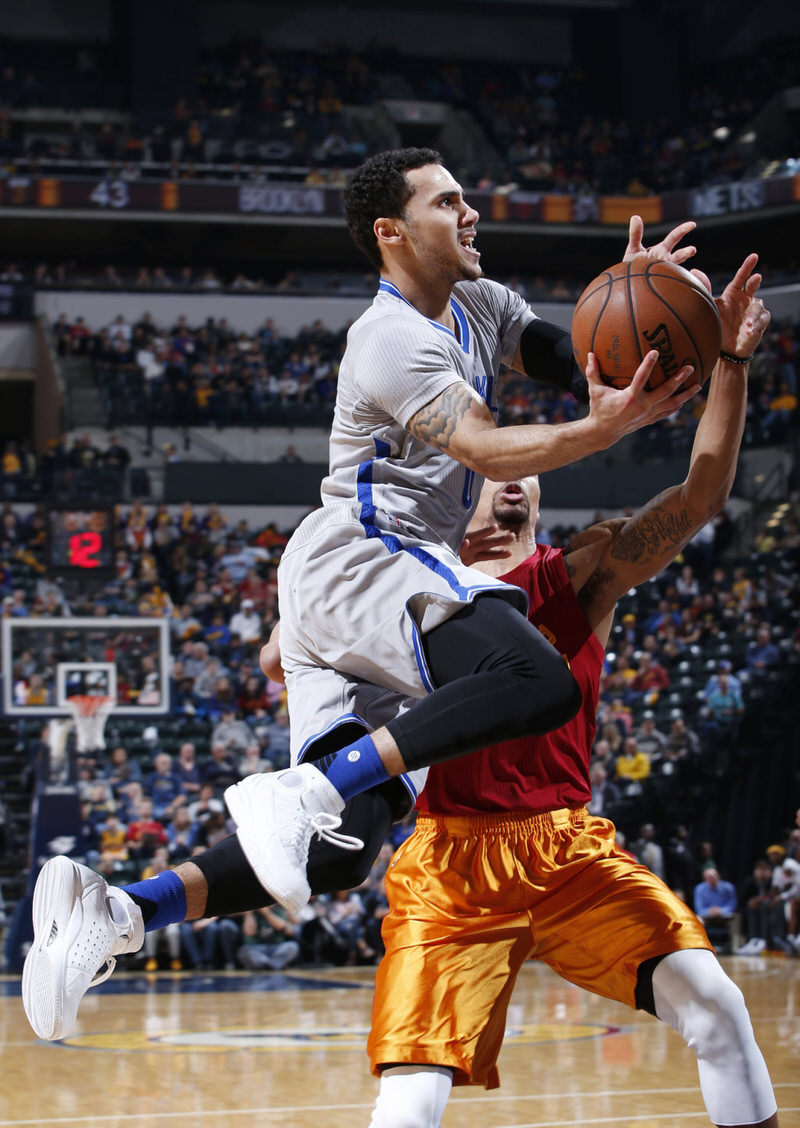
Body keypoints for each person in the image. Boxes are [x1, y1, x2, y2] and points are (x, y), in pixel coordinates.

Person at [18, 150, 730, 1034]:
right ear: (391, 232)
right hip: (366, 556)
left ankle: (116, 911)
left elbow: (570, 353)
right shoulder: (388, 338)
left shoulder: (479, 302)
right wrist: (602, 426)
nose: (472, 213)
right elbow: (487, 448)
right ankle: (303, 792)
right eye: (448, 201)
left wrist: (645, 307)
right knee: (536, 680)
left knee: (343, 851)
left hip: (347, 583)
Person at [365, 261, 778, 1127]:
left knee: (718, 1006)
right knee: (412, 1093)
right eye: (490, 467)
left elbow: (701, 496)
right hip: (448, 865)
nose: (512, 475)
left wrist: (729, 364)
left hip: (564, 850)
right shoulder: (402, 590)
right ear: (454, 491)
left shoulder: (577, 575)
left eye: (526, 465)